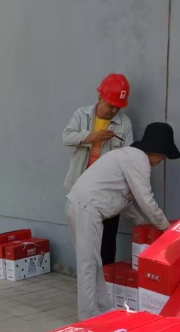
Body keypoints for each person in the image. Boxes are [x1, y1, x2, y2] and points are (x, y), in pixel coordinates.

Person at [66, 122, 180, 319]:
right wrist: (165, 226)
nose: (162, 160)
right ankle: (87, 316)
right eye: (163, 156)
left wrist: (140, 222)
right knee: (88, 264)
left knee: (94, 262)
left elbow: (123, 200)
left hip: (84, 208)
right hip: (86, 209)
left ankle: (102, 309)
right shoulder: (138, 160)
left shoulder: (128, 156)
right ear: (156, 151)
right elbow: (145, 198)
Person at [63, 74, 134, 266]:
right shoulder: (82, 115)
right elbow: (66, 137)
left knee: (107, 238)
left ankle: (107, 277)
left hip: (108, 191)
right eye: (111, 105)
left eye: (118, 107)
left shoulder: (124, 123)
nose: (114, 110)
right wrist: (91, 137)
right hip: (81, 187)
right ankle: (88, 277)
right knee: (85, 238)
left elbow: (129, 155)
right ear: (100, 97)